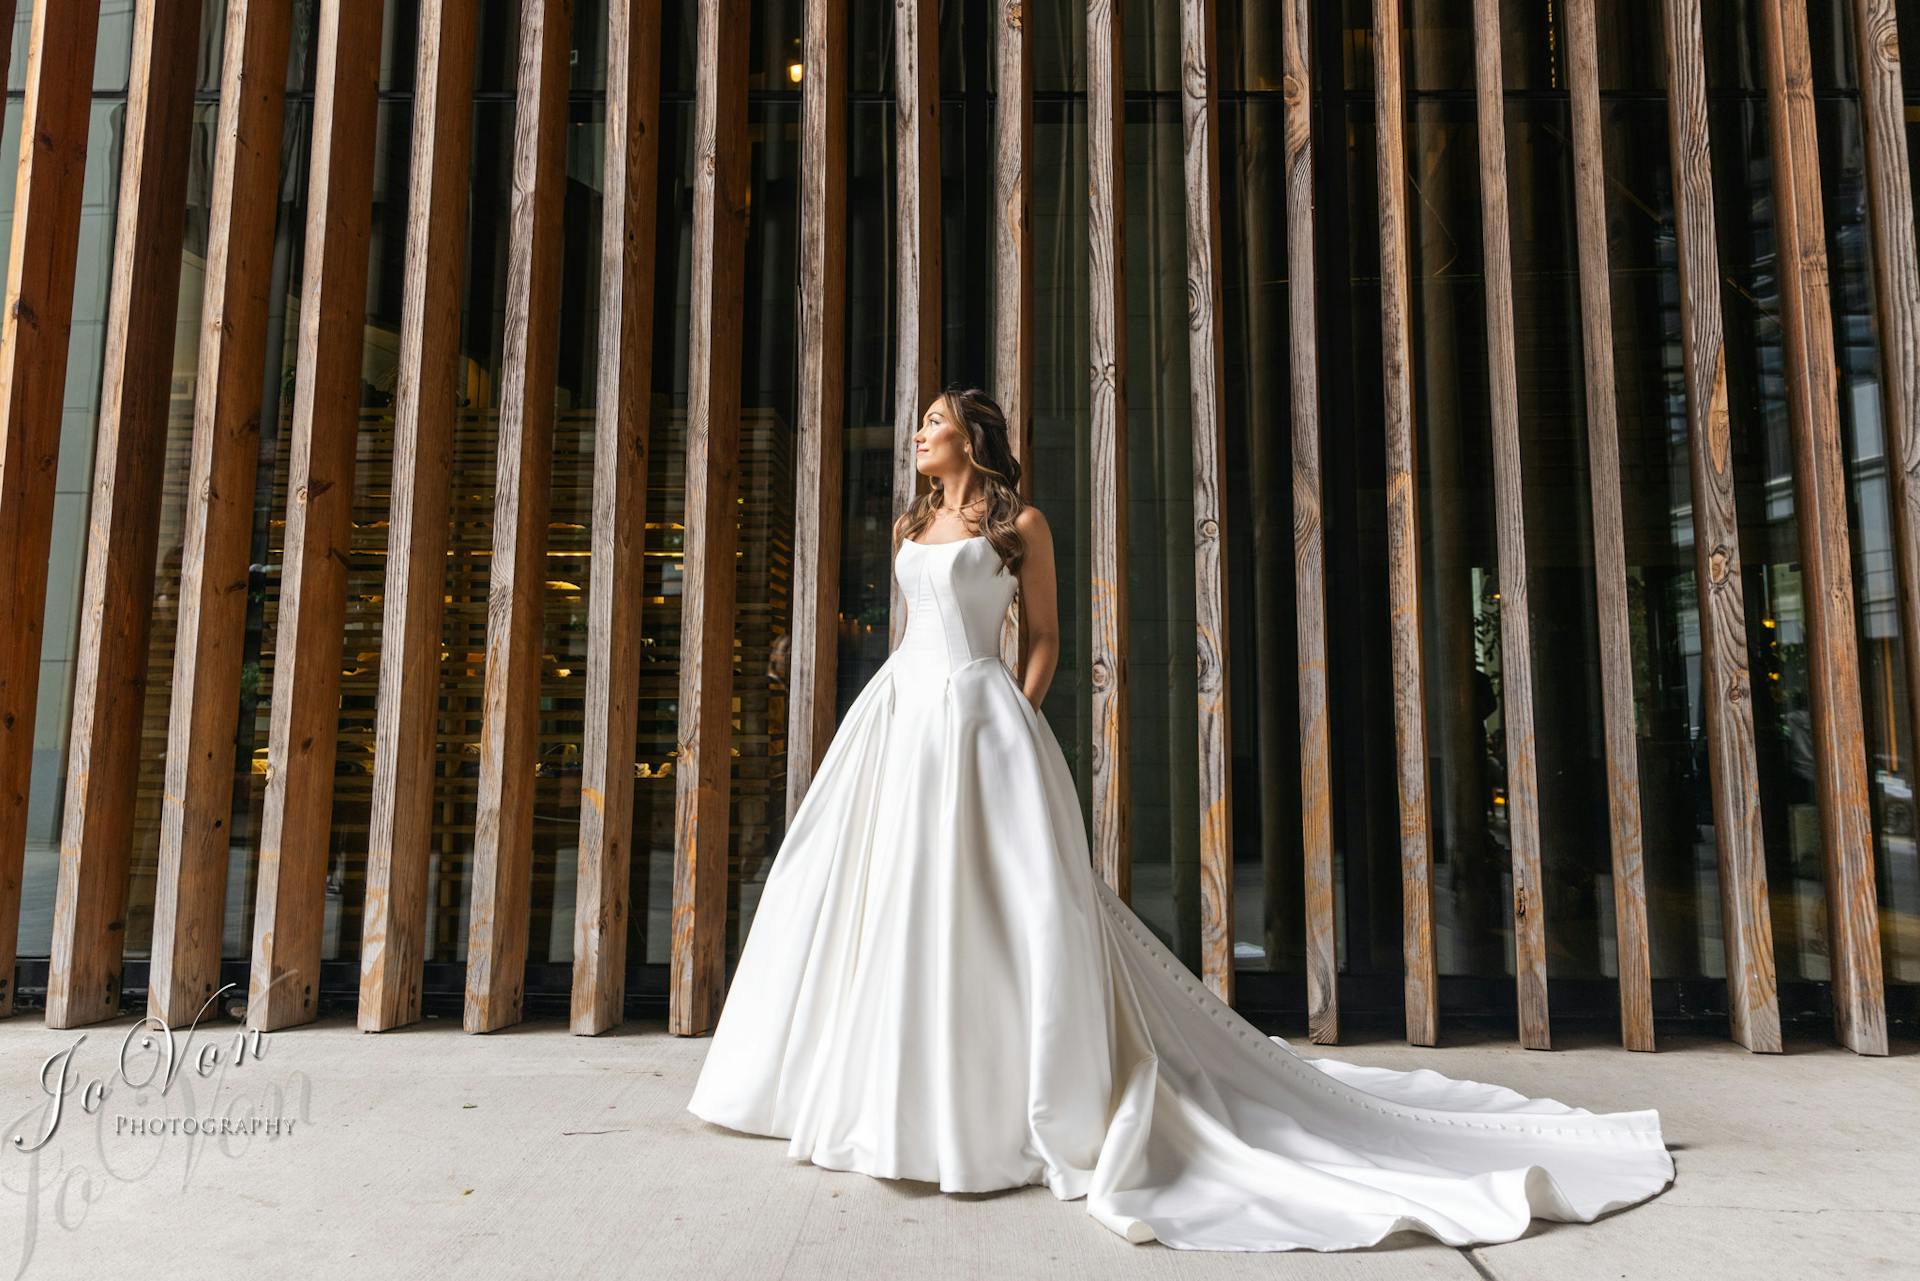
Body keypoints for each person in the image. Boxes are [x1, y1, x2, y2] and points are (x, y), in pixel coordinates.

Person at [686, 385, 1676, 1251]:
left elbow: (1046, 639)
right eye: (923, 426)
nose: (920, 436)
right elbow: (911, 634)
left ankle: (1004, 1106)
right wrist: (916, 701)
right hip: (901, 722)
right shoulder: (909, 530)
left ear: (972, 439)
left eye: (936, 425)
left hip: (984, 723)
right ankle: (884, 1100)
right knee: (889, 896)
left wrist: (1011, 719)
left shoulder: (1019, 525)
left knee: (1008, 910)